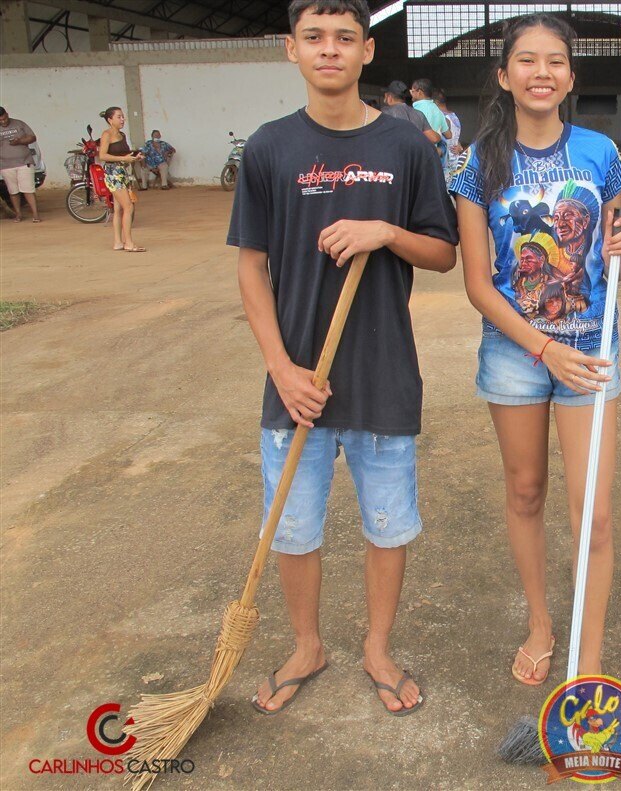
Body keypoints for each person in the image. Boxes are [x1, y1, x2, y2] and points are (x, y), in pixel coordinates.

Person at [230, 0, 457, 717]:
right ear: (290, 50)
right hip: (297, 382)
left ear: (366, 52)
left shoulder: (408, 149)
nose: (330, 50)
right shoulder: (268, 149)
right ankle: (307, 644)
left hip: (382, 372)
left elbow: (445, 253)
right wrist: (279, 367)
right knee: (293, 527)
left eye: (345, 39)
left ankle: (377, 647)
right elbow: (250, 266)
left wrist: (385, 230)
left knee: (387, 523)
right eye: (314, 38)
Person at [450, 13, 621, 685]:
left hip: (589, 353)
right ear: (504, 76)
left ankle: (588, 661)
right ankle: (540, 621)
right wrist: (540, 349)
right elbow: (477, 282)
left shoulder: (600, 154)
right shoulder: (477, 164)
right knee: (526, 491)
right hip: (514, 355)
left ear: (570, 76)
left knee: (596, 511)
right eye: (526, 61)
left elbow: (612, 261)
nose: (541, 72)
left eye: (554, 61)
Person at [98, 107, 145, 251]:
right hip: (113, 173)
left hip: (122, 171)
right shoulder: (106, 135)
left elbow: (124, 154)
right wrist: (123, 158)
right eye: (119, 117)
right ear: (110, 120)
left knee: (118, 209)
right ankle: (129, 243)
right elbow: (103, 156)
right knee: (128, 206)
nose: (122, 119)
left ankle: (118, 242)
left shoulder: (122, 135)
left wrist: (133, 157)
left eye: (123, 117)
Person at [0, 107, 42, 223]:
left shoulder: (19, 124)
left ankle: (35, 214)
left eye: (4, 118)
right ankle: (18, 214)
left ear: (7, 114)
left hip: (24, 162)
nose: (3, 122)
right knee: (13, 191)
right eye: (1, 120)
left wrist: (19, 141)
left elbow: (32, 137)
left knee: (28, 190)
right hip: (5, 165)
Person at [380, 80, 439, 147]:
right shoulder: (419, 114)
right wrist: (439, 136)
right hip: (412, 155)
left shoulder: (383, 113)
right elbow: (434, 139)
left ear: (389, 97)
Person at [409, 78, 451, 172]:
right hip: (433, 158)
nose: (411, 94)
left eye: (412, 91)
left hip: (418, 159)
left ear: (419, 92)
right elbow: (448, 135)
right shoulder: (437, 110)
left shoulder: (414, 110)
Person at [433, 88, 462, 176]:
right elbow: (455, 138)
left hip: (445, 163)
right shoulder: (453, 115)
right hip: (456, 161)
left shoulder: (441, 117)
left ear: (434, 102)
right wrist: (460, 147)